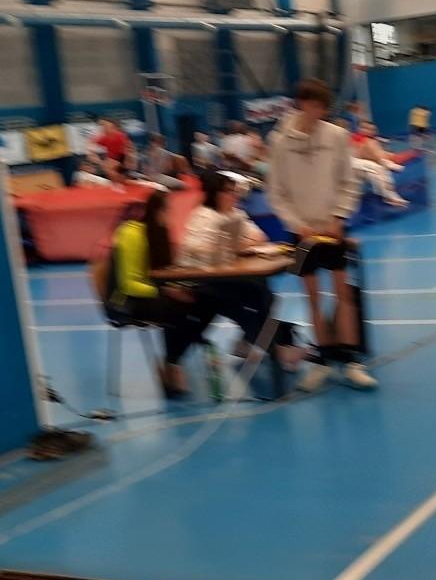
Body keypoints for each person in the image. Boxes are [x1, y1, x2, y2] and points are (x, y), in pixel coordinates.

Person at [266, 79, 376, 392]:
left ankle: (352, 362)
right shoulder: (279, 141)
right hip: (302, 232)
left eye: (323, 107)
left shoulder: (336, 136)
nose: (318, 112)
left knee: (344, 295)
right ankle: (323, 363)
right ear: (302, 103)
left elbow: (349, 181)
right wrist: (297, 224)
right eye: (313, 105)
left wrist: (339, 216)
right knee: (312, 298)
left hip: (333, 227)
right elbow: (276, 193)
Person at [179, 171, 302, 370]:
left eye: (234, 191)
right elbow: (194, 247)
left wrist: (235, 245)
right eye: (228, 191)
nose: (234, 196)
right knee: (247, 299)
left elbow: (260, 236)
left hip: (230, 275)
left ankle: (251, 342)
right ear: (215, 193)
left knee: (263, 293)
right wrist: (232, 246)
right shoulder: (201, 216)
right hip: (203, 279)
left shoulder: (235, 214)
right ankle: (275, 349)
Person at [106, 189, 214, 397]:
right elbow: (129, 284)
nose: (171, 216)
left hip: (152, 293)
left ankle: (174, 358)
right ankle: (172, 364)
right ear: (157, 210)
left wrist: (179, 287)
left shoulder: (160, 234)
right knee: (177, 309)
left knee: (204, 301)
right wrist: (165, 291)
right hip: (127, 301)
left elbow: (163, 272)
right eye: (168, 210)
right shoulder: (131, 233)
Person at [350, 121, 408, 207]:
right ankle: (389, 195)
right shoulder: (356, 138)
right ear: (359, 128)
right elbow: (359, 155)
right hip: (352, 162)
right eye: (365, 128)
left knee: (377, 171)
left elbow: (372, 155)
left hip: (363, 164)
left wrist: (385, 156)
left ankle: (389, 195)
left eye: (372, 129)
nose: (368, 131)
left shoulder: (371, 140)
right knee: (377, 167)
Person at [92, 117, 133, 182]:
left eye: (105, 126)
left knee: (110, 167)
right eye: (102, 126)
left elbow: (127, 147)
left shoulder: (119, 135)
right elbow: (94, 143)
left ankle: (121, 179)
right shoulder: (105, 137)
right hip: (114, 158)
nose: (103, 128)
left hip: (120, 157)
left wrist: (127, 159)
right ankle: (118, 180)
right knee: (108, 167)